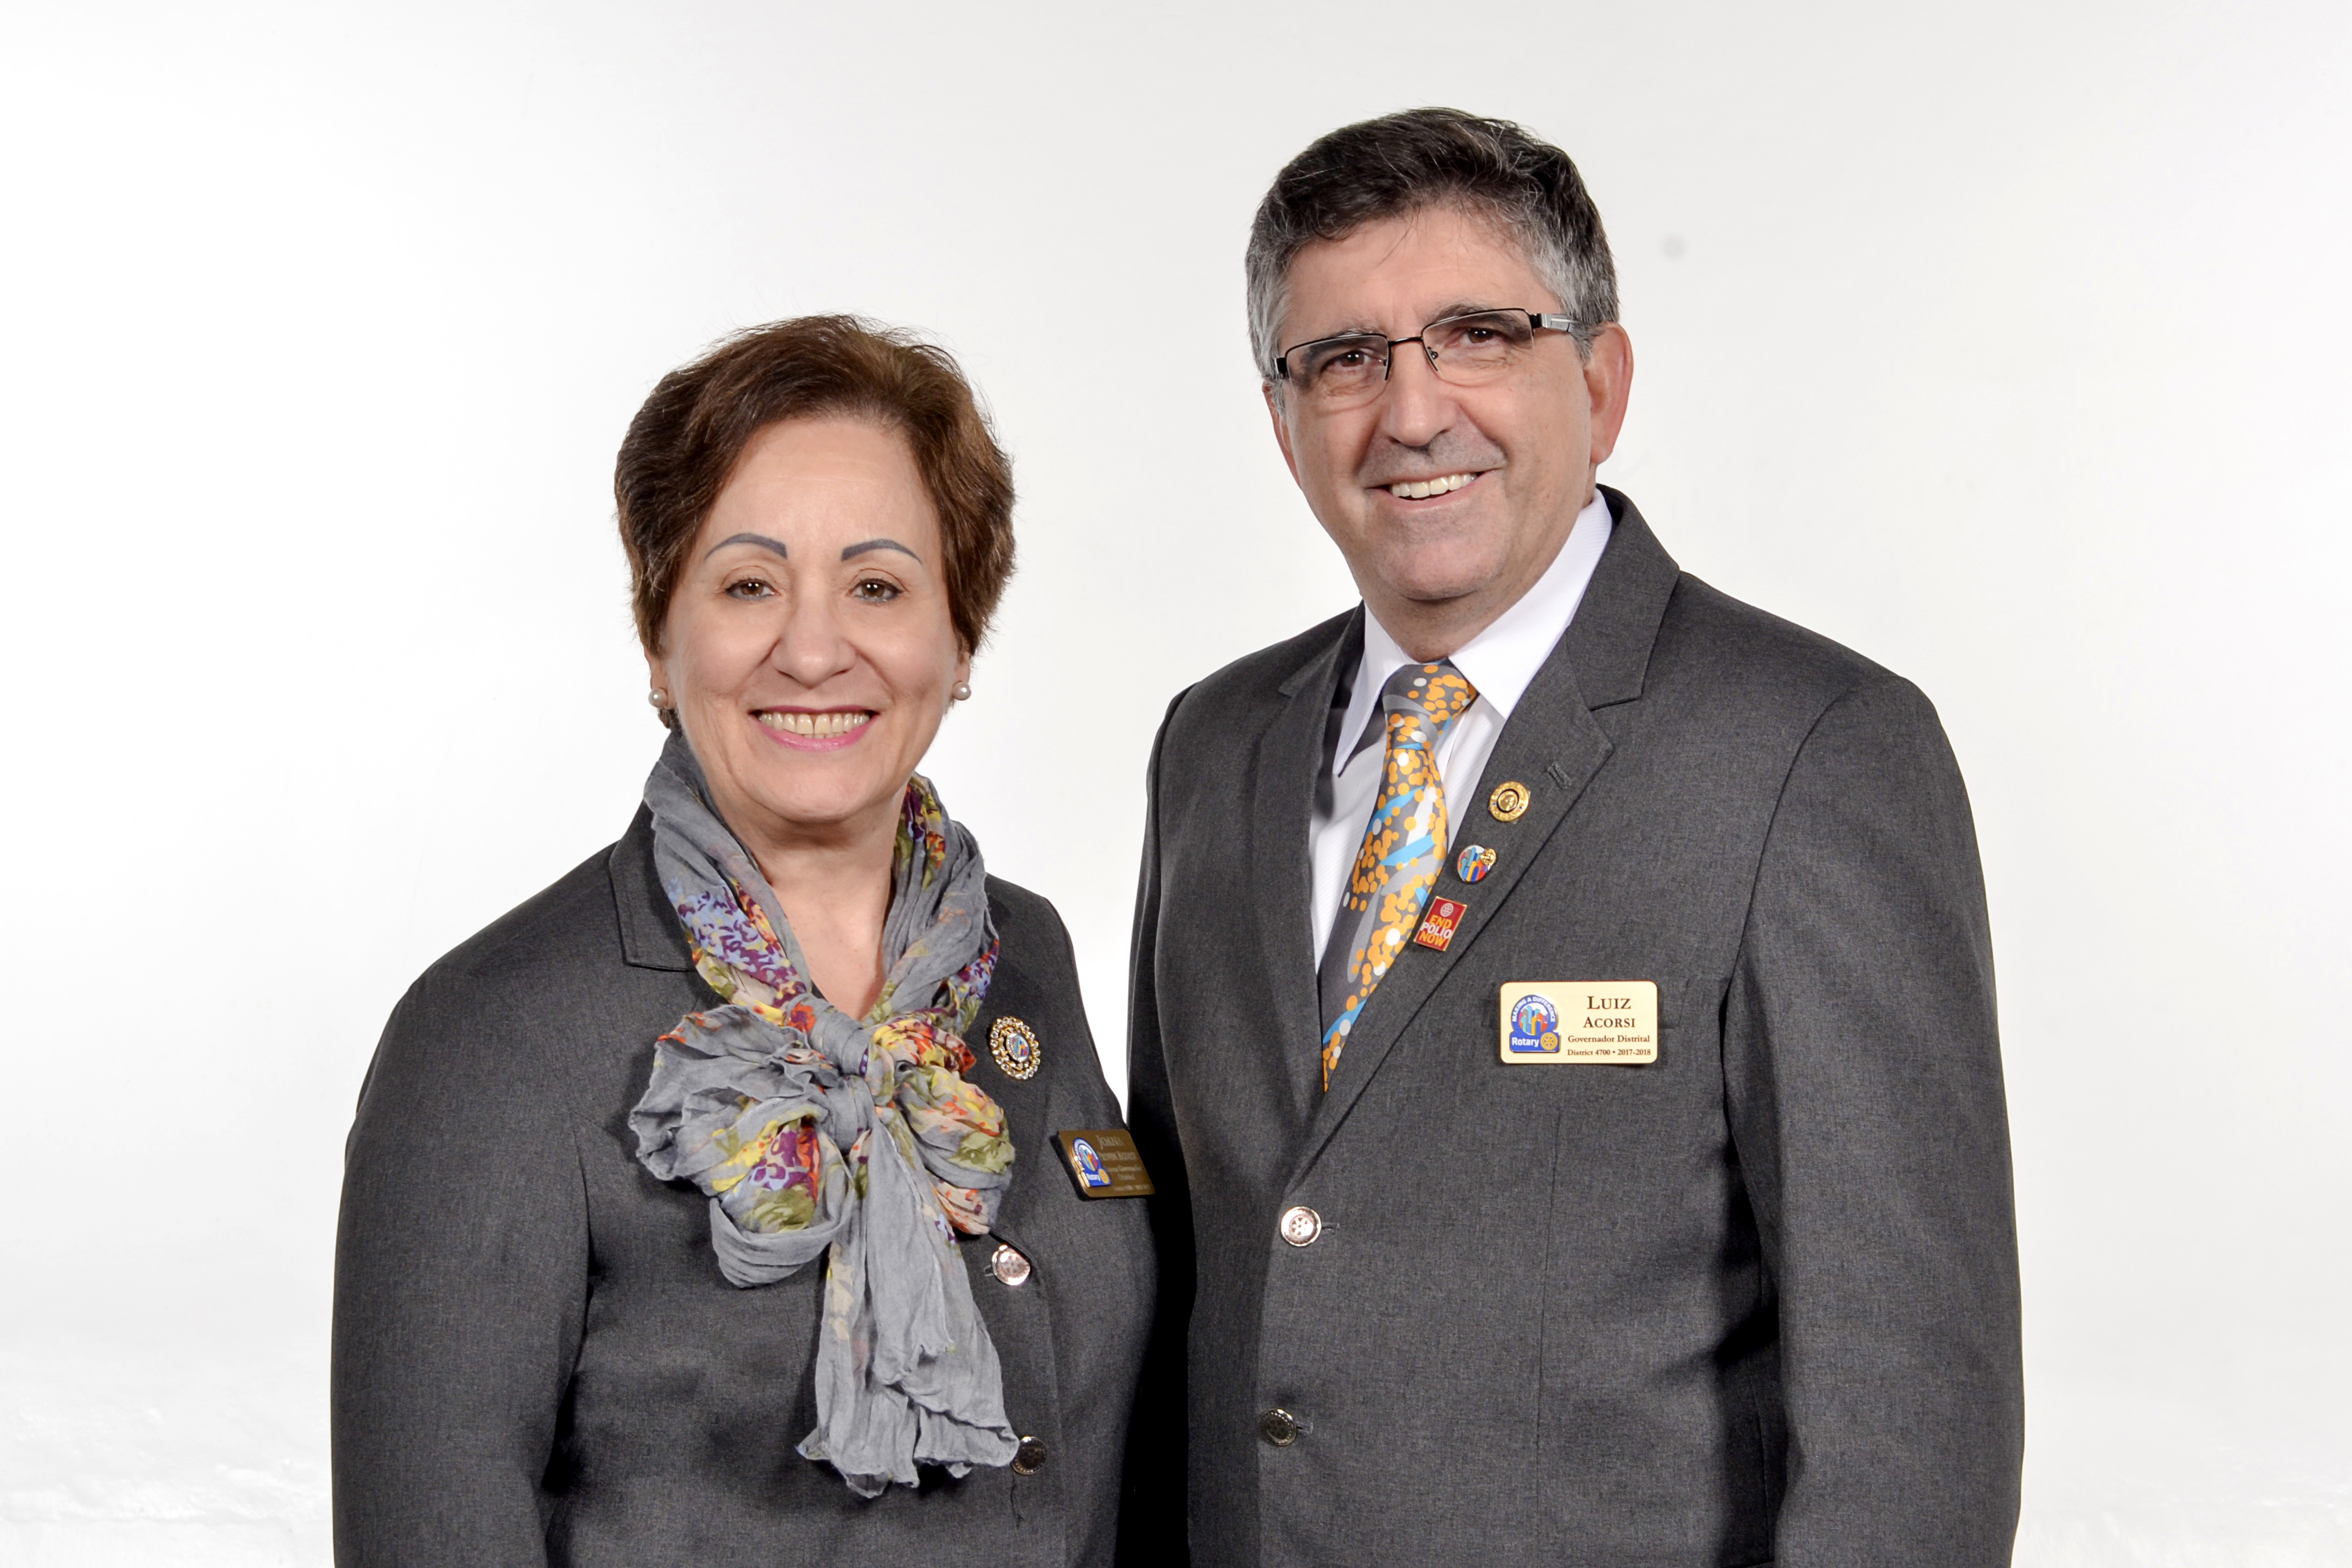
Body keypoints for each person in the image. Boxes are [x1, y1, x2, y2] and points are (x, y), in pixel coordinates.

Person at [1125, 108, 2024, 1565]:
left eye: (1475, 335)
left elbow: (1910, 1413)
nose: (1411, 413)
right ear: (1282, 425)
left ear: (1599, 383)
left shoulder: (1813, 750)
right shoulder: (1211, 745)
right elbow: (1184, 1288)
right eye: (1342, 359)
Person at [334, 316, 1159, 1566]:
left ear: (959, 639)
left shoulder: (1024, 954)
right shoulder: (491, 1037)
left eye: (877, 586)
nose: (814, 649)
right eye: (748, 585)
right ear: (660, 642)